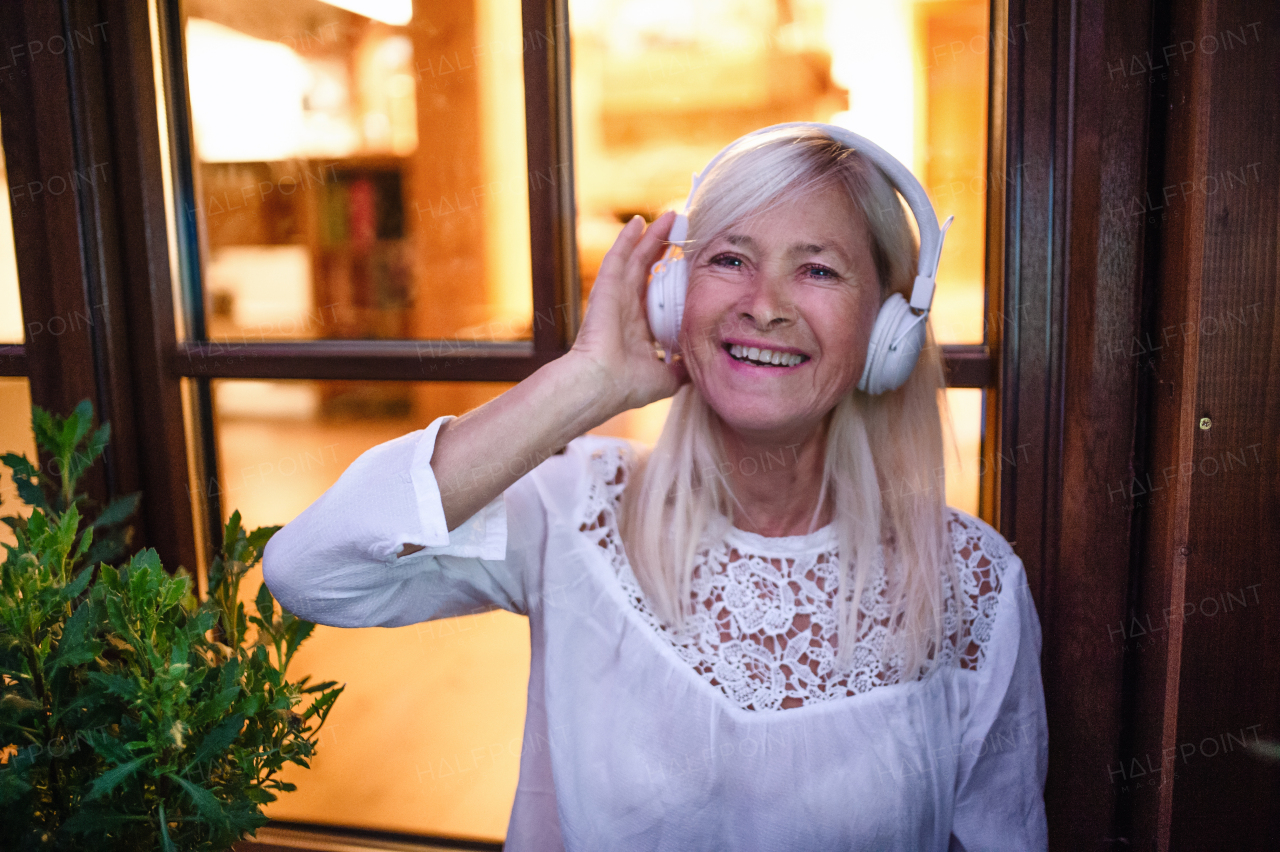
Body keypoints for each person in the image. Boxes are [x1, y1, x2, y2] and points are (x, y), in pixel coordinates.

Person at [263, 124, 1049, 851]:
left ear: (890, 330)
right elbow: (312, 573)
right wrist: (586, 381)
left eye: (816, 269)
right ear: (675, 302)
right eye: (729, 259)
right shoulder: (574, 512)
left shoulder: (969, 583)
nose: (764, 305)